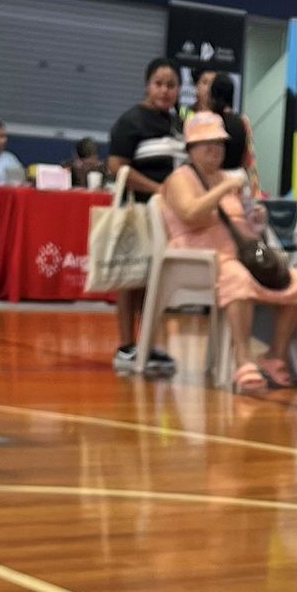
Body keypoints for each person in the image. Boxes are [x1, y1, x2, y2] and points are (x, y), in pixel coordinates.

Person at [155, 109, 297, 395]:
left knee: (296, 281)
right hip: (197, 260)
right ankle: (243, 361)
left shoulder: (229, 179)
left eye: (219, 143)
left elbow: (239, 225)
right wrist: (223, 188)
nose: (215, 149)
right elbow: (190, 213)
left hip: (235, 255)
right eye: (206, 143)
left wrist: (255, 222)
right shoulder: (180, 179)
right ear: (191, 148)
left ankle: (276, 355)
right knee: (237, 277)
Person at [105, 54, 184, 374]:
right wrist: (156, 188)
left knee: (155, 281)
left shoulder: (177, 123)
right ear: (147, 85)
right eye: (159, 84)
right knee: (132, 277)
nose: (165, 90)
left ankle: (148, 344)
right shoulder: (131, 121)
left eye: (171, 85)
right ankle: (126, 347)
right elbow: (117, 167)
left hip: (168, 216)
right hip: (138, 211)